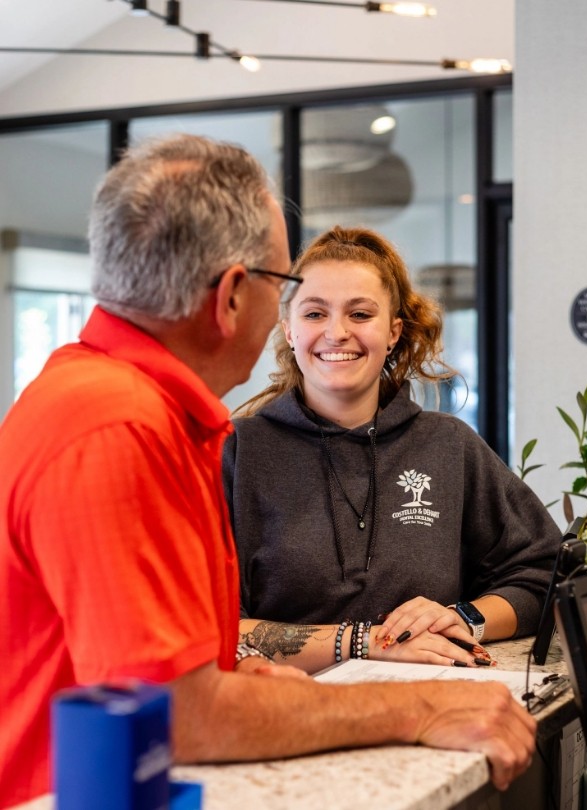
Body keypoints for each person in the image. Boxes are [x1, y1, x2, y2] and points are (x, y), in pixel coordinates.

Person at [0, 134, 536, 809]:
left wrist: (237, 673)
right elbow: (180, 716)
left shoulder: (140, 409)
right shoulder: (119, 428)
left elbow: (151, 669)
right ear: (231, 296)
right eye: (290, 290)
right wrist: (421, 708)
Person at [223, 226, 561, 674]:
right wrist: (364, 642)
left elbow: (547, 577)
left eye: (360, 314)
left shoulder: (449, 447)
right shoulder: (235, 452)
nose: (337, 332)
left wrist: (462, 618)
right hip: (292, 713)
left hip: (435, 711)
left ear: (393, 332)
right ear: (288, 330)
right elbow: (210, 627)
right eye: (314, 314)